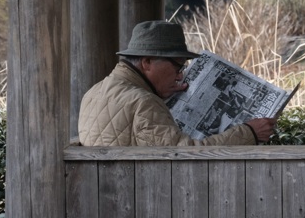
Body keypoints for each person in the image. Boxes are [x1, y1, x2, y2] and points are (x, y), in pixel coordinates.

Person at [78, 20, 277, 146]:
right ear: (147, 62)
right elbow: (185, 156)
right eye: (177, 67)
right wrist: (249, 132)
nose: (180, 76)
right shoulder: (143, 103)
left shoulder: (94, 92)